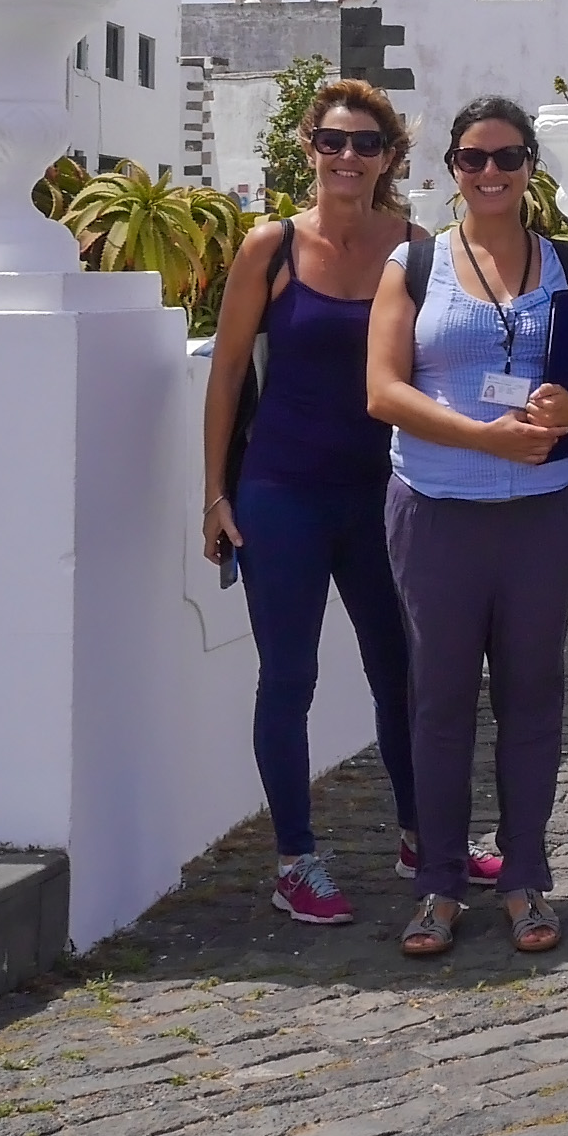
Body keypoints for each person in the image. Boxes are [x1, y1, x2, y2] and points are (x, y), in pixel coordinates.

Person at [367, 97, 568, 958]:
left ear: (530, 166)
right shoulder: (416, 262)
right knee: (438, 701)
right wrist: (483, 437)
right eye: (474, 160)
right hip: (437, 510)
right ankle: (437, 885)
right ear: (452, 169)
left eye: (507, 158)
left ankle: (524, 880)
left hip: (544, 513)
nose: (491, 174)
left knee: (532, 695)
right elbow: (384, 389)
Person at [202, 79, 454, 925]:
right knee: (290, 677)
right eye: (334, 142)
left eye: (367, 144)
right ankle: (296, 861)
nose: (349, 158)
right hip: (282, 493)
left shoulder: (418, 249)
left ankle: (425, 837)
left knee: (404, 676)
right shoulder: (268, 247)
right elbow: (229, 372)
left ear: (390, 159)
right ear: (308, 148)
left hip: (389, 494)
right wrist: (215, 495)